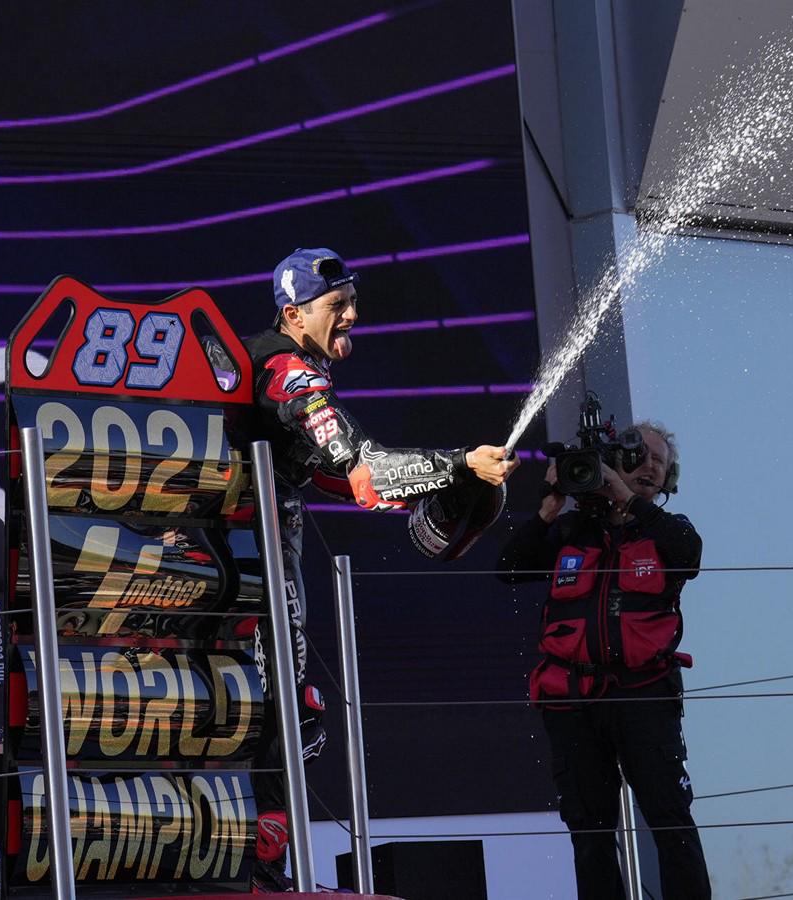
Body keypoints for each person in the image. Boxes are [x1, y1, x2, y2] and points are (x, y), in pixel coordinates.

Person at [244, 247, 518, 885]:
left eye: (351, 305)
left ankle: (260, 871)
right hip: (244, 582)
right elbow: (357, 468)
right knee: (282, 717)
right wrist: (459, 466)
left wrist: (451, 481)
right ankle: (254, 874)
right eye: (338, 307)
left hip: (252, 576)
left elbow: (354, 477)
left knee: (283, 717)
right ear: (294, 313)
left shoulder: (286, 366)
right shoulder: (288, 370)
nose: (353, 317)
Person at [497, 422, 711, 899]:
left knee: (670, 818)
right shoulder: (573, 530)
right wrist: (550, 507)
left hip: (644, 696)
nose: (651, 466)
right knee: (591, 834)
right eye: (642, 455)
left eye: (662, 462)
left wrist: (626, 501)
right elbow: (508, 569)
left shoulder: (668, 531)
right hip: (574, 702)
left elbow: (689, 556)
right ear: (615, 459)